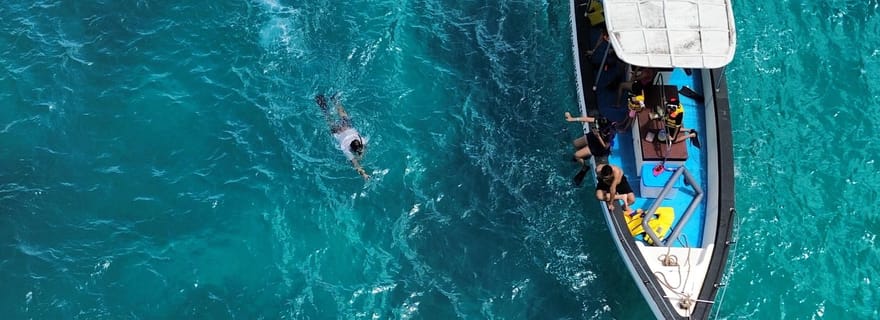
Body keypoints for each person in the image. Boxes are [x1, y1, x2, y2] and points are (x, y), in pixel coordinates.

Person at [316, 94, 370, 179]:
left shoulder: (361, 140)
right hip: (339, 131)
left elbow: (363, 149)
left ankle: (333, 100)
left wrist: (363, 172)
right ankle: (325, 102)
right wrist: (364, 175)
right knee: (330, 117)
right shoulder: (347, 150)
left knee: (340, 115)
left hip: (346, 127)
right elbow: (356, 165)